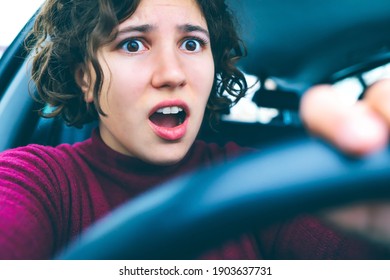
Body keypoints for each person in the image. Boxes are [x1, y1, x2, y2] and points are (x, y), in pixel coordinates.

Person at [0, 0, 389, 259]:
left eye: (191, 43)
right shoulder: (38, 179)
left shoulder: (257, 177)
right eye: (133, 45)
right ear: (85, 78)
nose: (173, 74)